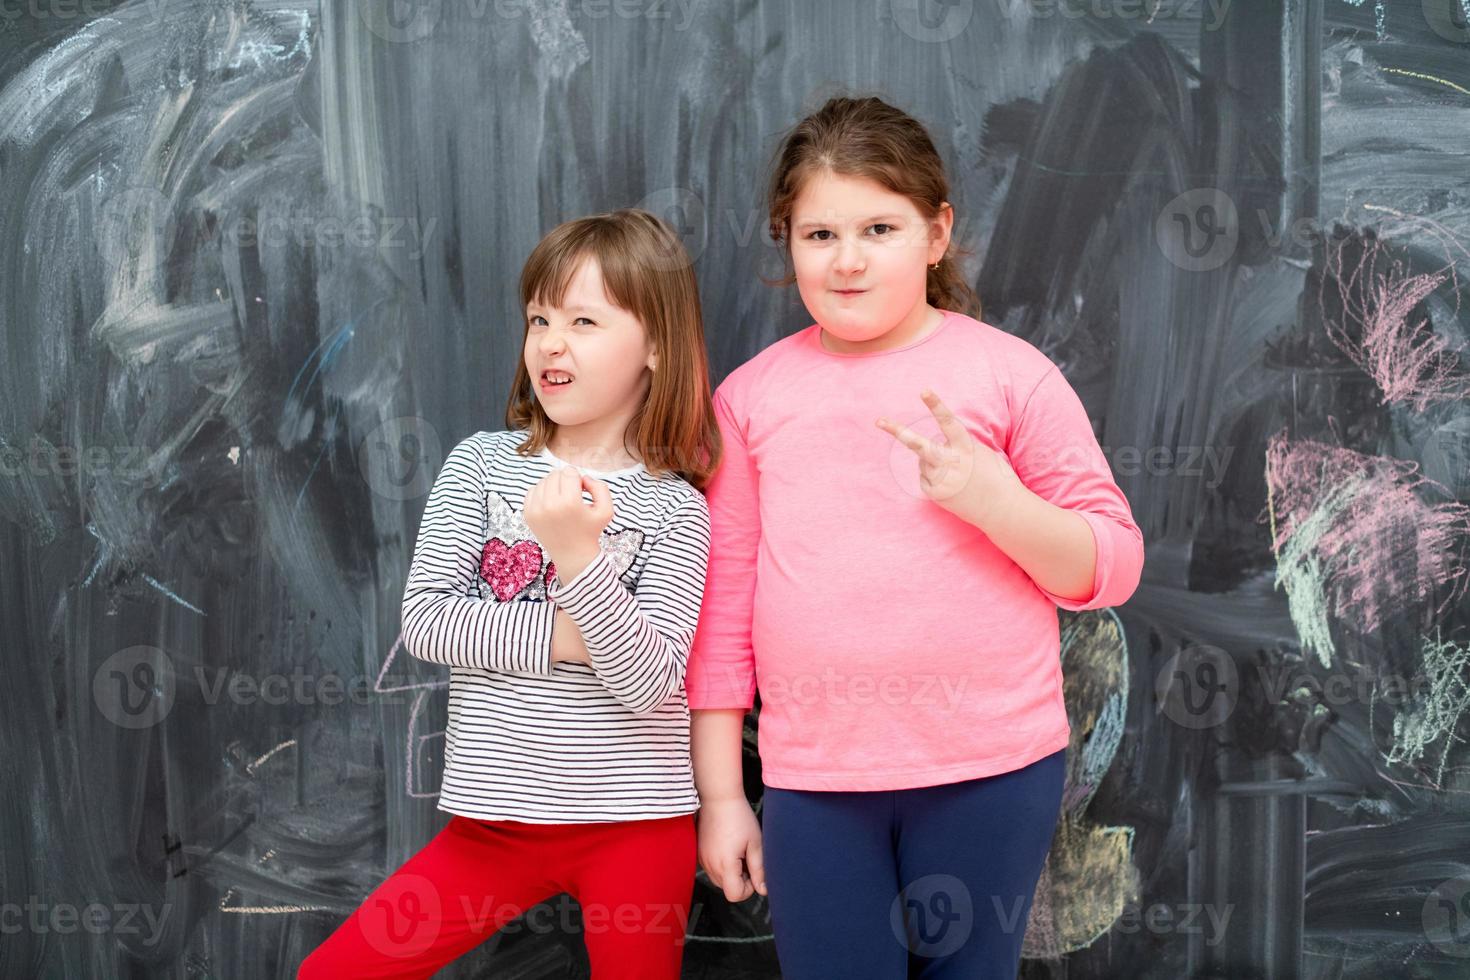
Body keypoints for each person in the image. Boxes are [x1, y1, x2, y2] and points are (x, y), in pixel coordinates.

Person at [687, 95, 1145, 978]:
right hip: (815, 785)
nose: (848, 261)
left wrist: (994, 502)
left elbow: (1114, 563)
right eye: (819, 235)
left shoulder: (1009, 375)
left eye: (880, 229)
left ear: (937, 234)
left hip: (992, 773)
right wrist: (719, 797)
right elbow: (723, 612)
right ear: (787, 240)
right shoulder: (749, 400)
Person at [299, 208, 721, 979]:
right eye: (539, 319)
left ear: (656, 347)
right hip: (492, 828)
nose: (551, 343)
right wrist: (574, 634)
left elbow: (648, 682)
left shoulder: (674, 507)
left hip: (634, 828)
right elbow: (427, 622)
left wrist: (574, 556)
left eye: (584, 320)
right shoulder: (482, 466)